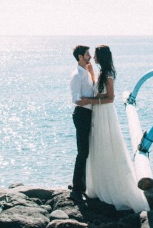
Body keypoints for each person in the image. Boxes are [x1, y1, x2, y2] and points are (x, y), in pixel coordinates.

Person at [84, 45, 149, 213]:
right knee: (98, 147)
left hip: (105, 113)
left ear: (101, 57)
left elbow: (110, 98)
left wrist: (91, 101)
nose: (94, 58)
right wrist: (91, 73)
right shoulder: (101, 72)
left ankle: (114, 189)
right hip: (99, 113)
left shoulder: (108, 74)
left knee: (107, 146)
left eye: (96, 55)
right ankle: (99, 185)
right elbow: (99, 90)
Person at [69, 45, 96, 199]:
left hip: (88, 113)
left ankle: (84, 184)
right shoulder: (77, 75)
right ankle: (77, 187)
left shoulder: (86, 73)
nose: (90, 57)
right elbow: (76, 99)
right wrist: (95, 101)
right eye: (87, 54)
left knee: (87, 151)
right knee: (83, 151)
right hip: (81, 114)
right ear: (80, 57)